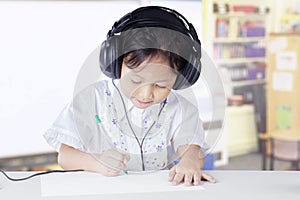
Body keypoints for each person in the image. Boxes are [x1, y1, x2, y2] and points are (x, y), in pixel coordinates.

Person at [44, 6, 216, 186]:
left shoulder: (180, 108)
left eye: (161, 85)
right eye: (135, 80)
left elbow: (192, 150)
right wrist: (97, 162)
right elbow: (65, 156)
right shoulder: (91, 99)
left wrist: (189, 163)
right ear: (116, 62)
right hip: (102, 190)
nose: (146, 93)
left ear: (180, 79)